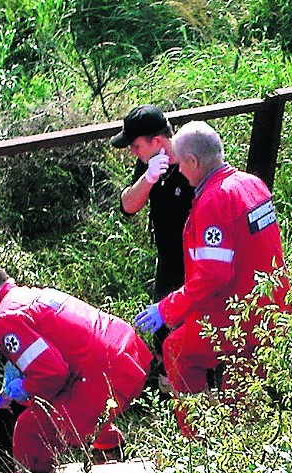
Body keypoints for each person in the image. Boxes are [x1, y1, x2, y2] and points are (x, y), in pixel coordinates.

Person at [134, 121, 290, 437]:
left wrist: (166, 309)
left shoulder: (214, 201)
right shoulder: (251, 184)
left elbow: (213, 275)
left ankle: (197, 440)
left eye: (179, 164)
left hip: (240, 314)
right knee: (241, 393)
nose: (178, 171)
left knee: (178, 349)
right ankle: (238, 445)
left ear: (193, 162)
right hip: (270, 308)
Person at [0, 259, 153, 473]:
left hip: (104, 376)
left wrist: (23, 389)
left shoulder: (6, 319)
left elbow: (51, 375)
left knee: (30, 429)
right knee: (57, 405)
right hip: (129, 354)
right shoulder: (31, 295)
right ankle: (110, 452)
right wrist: (14, 391)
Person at [111, 104, 195, 391]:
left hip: (197, 262)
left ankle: (199, 392)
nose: (133, 152)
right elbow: (128, 205)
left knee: (194, 331)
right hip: (168, 259)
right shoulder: (150, 162)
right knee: (163, 332)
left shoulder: (192, 160)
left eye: (136, 146)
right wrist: (147, 179)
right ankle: (169, 393)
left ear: (157, 141)